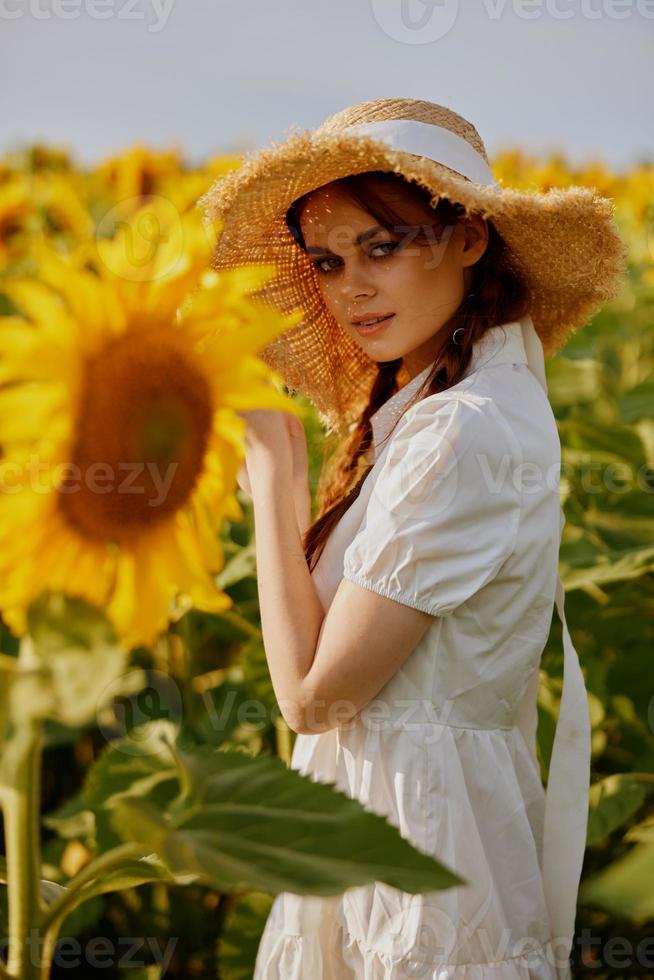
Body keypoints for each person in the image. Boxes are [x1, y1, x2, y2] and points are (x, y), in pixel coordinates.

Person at [199, 98, 627, 979]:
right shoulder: (440, 407)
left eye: (383, 247)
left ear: (469, 238)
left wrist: (275, 483)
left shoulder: (463, 428)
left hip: (417, 857)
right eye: (327, 260)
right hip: (398, 832)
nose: (351, 286)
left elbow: (314, 698)